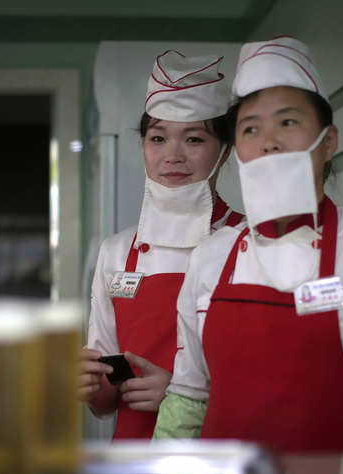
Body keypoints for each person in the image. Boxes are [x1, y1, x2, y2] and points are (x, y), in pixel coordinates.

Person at [154, 37, 343, 453]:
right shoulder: (211, 256)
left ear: (328, 142)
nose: (268, 141)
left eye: (287, 123)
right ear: (237, 151)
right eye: (250, 128)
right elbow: (188, 399)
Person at [79, 51, 244, 439]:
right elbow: (105, 400)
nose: (172, 156)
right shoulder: (116, 253)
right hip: (133, 465)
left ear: (225, 150)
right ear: (143, 147)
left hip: (216, 458)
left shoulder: (248, 244)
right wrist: (90, 387)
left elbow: (271, 385)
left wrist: (183, 395)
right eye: (158, 138)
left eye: (194, 139)